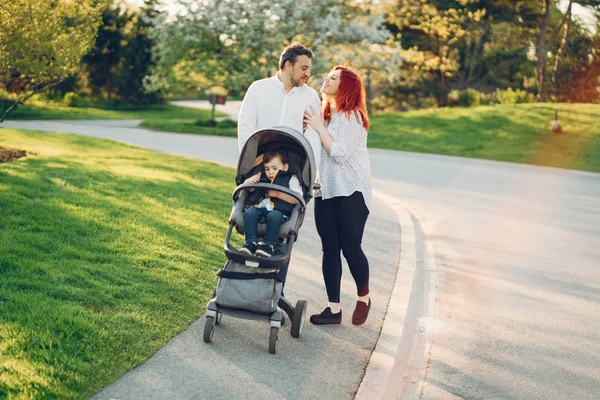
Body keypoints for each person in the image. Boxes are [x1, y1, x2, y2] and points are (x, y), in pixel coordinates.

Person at [303, 65, 372, 326]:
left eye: (333, 78)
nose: (326, 79)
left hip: (352, 191)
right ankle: (333, 309)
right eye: (328, 75)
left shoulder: (353, 117)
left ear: (346, 87)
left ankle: (364, 297)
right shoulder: (326, 116)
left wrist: (320, 129)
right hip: (326, 190)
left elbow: (340, 153)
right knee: (329, 248)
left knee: (350, 247)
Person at [237, 42, 322, 169]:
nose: (308, 74)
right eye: (304, 68)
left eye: (309, 68)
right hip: (260, 162)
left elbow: (313, 138)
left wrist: (309, 173)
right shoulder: (258, 88)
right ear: (288, 65)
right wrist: (249, 162)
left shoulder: (310, 96)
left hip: (293, 167)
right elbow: (245, 127)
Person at [240, 150, 303, 258]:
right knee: (250, 212)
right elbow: (248, 189)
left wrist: (278, 194)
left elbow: (297, 199)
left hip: (280, 212)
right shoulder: (263, 178)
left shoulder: (291, 179)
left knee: (273, 215)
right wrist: (249, 181)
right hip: (263, 209)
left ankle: (267, 245)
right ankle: (251, 243)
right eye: (267, 168)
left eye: (274, 168)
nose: (270, 172)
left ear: (285, 167)